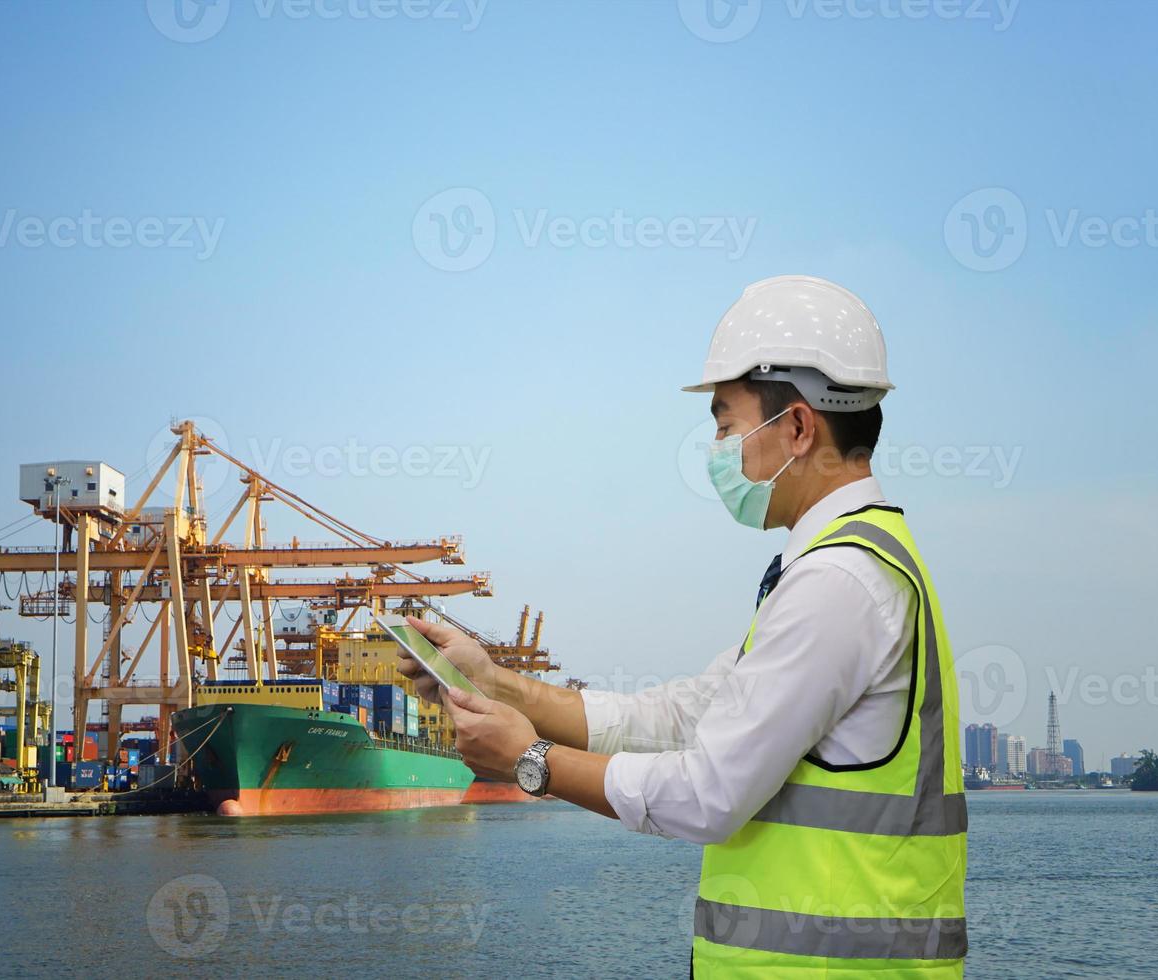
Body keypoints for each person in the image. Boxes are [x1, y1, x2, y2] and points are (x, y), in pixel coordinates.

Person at [398, 275, 967, 977]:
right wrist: (496, 684)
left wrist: (531, 762)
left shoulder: (836, 583)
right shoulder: (846, 566)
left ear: (796, 428)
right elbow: (682, 717)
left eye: (727, 425)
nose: (719, 450)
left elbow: (708, 795)